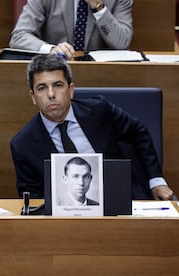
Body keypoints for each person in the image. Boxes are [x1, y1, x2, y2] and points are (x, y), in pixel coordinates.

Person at [10, 54, 174, 201]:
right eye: (42, 88)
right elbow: (33, 198)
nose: (51, 94)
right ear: (33, 96)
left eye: (58, 85)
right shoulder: (23, 144)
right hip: (64, 216)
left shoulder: (99, 110)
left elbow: (139, 133)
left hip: (121, 198)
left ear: (71, 90)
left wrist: (156, 181)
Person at [9, 0, 133, 60]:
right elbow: (19, 36)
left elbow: (121, 43)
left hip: (98, 75)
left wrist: (98, 6)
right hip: (54, 71)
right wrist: (51, 49)